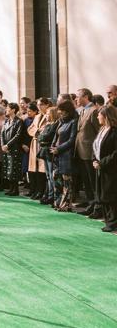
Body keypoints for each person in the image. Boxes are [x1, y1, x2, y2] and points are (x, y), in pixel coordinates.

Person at [75, 88, 101, 216]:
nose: (76, 99)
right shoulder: (82, 111)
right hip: (81, 151)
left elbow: (99, 132)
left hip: (90, 152)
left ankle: (97, 207)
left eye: (78, 96)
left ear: (86, 96)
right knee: (86, 181)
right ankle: (91, 204)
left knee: (93, 181)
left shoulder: (93, 111)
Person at [92, 105, 117, 232]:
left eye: (99, 114)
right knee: (102, 194)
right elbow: (96, 145)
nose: (97, 116)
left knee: (110, 195)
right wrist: (94, 160)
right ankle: (108, 220)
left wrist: (102, 162)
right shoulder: (102, 129)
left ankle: (113, 222)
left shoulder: (114, 131)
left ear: (106, 116)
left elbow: (115, 153)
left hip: (111, 168)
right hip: (100, 167)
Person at [51, 100, 78, 211]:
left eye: (61, 110)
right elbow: (56, 136)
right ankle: (57, 202)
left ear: (67, 111)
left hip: (66, 156)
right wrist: (53, 147)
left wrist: (59, 149)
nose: (59, 112)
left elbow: (72, 140)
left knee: (67, 181)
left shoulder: (73, 122)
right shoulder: (61, 121)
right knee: (56, 180)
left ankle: (66, 204)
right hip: (56, 155)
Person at [27, 99, 49, 200]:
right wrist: (37, 131)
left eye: (42, 105)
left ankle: (42, 191)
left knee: (42, 169)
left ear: (47, 105)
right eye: (38, 105)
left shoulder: (49, 115)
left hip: (42, 144)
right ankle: (35, 190)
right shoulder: (37, 116)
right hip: (34, 143)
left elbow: (46, 129)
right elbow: (30, 129)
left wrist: (38, 131)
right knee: (33, 169)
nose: (39, 107)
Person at [37, 107, 59, 205]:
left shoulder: (55, 124)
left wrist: (42, 136)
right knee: (48, 175)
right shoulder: (47, 125)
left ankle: (53, 196)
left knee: (51, 175)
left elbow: (46, 136)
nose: (46, 115)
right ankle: (50, 195)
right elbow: (39, 137)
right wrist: (41, 136)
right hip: (44, 150)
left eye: (48, 113)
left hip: (49, 151)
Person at [1, 103, 24, 196]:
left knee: (14, 169)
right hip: (6, 148)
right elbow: (2, 134)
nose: (6, 110)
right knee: (8, 168)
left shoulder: (19, 121)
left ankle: (15, 189)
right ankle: (11, 188)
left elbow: (18, 135)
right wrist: (3, 145)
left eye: (8, 108)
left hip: (14, 148)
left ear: (13, 110)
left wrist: (8, 145)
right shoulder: (6, 121)